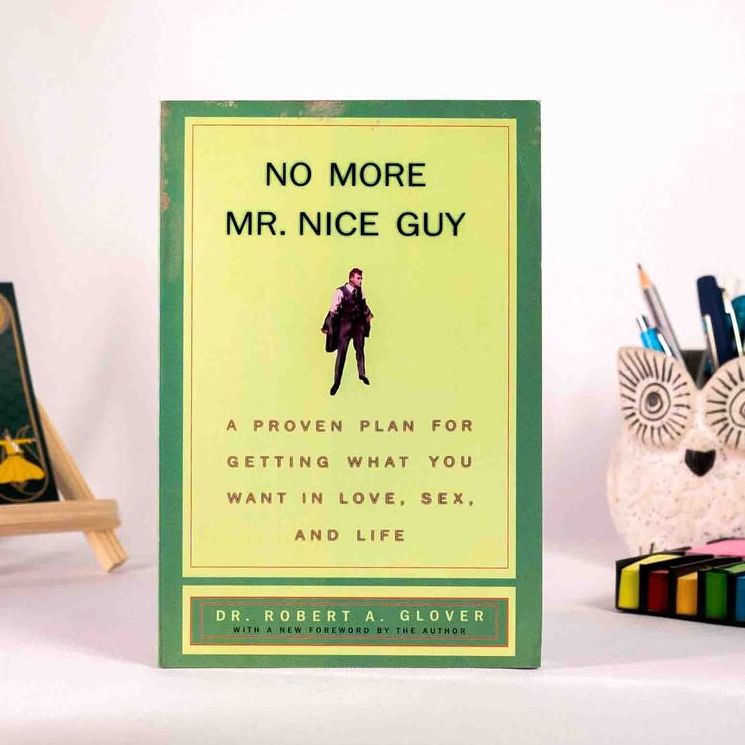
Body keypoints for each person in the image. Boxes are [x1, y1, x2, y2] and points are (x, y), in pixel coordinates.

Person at [321, 268, 373, 396]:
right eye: (358, 278)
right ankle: (336, 383)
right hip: (345, 327)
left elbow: (363, 305)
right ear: (351, 278)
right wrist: (327, 325)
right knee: (341, 354)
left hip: (358, 327)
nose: (360, 281)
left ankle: (362, 374)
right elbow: (333, 310)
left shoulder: (360, 291)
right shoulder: (340, 292)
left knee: (360, 350)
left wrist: (368, 315)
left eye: (361, 278)